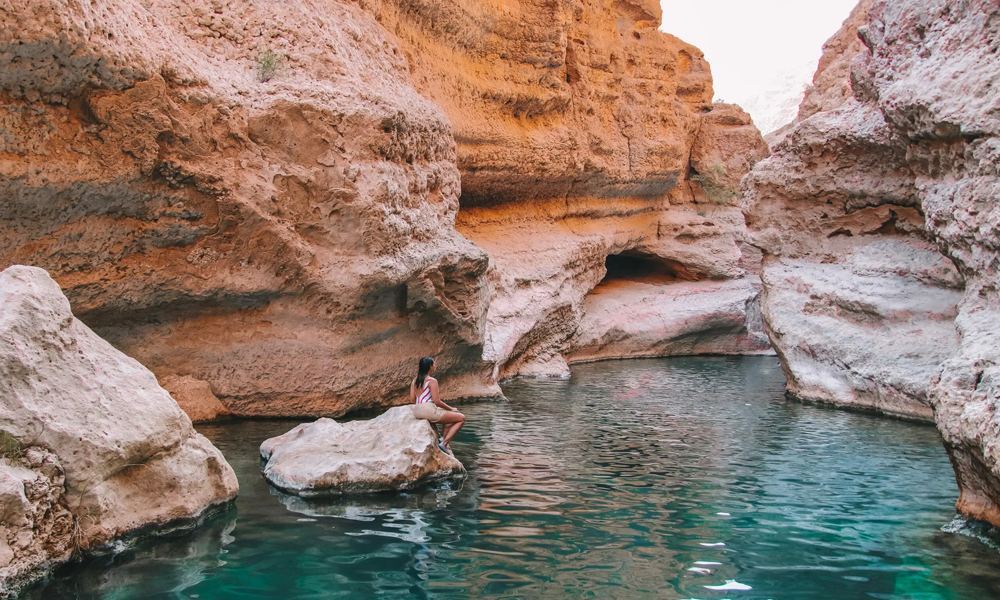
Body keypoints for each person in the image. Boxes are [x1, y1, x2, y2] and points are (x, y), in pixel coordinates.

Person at [409, 356, 465, 455]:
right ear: (430, 367)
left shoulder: (414, 380)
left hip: (417, 411)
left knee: (449, 418)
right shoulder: (432, 381)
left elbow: (412, 399)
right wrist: (451, 408)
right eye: (434, 364)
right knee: (461, 418)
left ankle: (443, 439)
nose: (435, 366)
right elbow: (437, 401)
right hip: (428, 410)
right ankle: (444, 443)